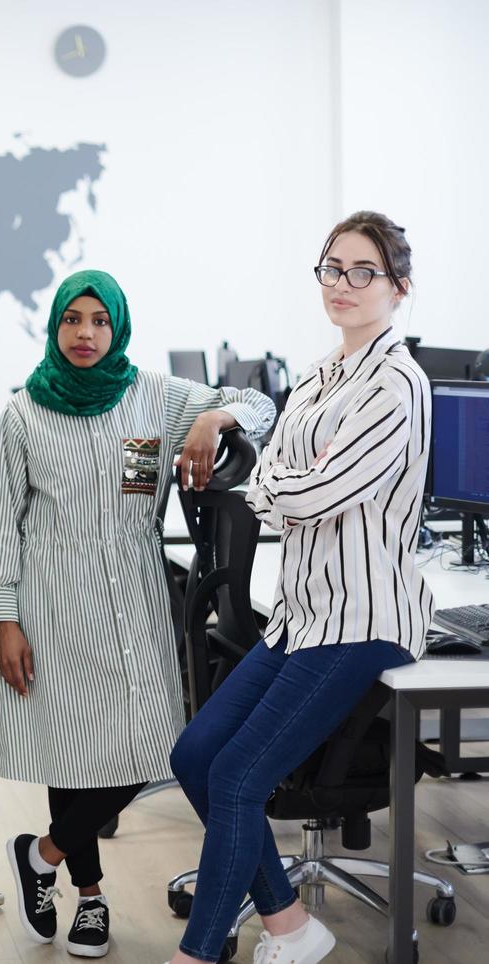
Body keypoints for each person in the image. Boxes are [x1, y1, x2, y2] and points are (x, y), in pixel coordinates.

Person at [0, 269, 275, 958]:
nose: (84, 334)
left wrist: (211, 418)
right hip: (52, 598)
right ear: (55, 327)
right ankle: (89, 896)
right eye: (72, 320)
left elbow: (260, 404)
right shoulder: (24, 412)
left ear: (118, 328)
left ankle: (39, 854)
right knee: (68, 749)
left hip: (136, 594)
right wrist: (5, 621)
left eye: (98, 321)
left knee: (151, 746)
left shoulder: (155, 399)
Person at [167, 213, 433, 964]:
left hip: (362, 617)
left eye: (363, 272)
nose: (342, 285)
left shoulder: (398, 384)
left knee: (239, 778)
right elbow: (270, 483)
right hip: (301, 615)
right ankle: (289, 924)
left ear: (398, 288)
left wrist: (289, 480)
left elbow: (309, 493)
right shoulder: (322, 374)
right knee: (197, 757)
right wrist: (292, 479)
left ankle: (198, 952)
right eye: (331, 268)